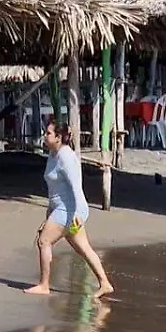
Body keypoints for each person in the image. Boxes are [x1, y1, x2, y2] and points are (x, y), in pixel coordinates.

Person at [24, 122, 114, 299]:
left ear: (58, 137)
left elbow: (76, 189)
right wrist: (49, 215)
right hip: (59, 209)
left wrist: (80, 215)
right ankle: (105, 283)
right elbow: (54, 191)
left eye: (48, 133)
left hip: (70, 210)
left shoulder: (66, 157)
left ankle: (44, 285)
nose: (45, 135)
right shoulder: (53, 154)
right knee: (83, 248)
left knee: (44, 242)